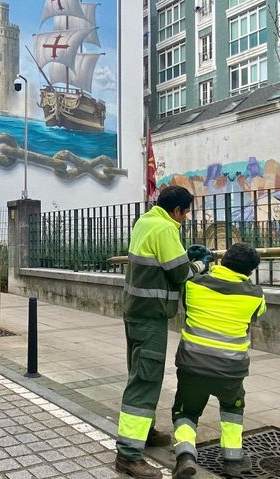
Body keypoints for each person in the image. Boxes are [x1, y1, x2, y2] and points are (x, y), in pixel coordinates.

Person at [114, 186, 208, 479]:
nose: (186, 218)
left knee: (139, 372)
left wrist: (182, 255)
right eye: (186, 213)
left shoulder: (145, 221)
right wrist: (200, 264)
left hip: (135, 312)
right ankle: (129, 455)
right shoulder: (166, 229)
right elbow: (180, 274)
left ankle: (146, 431)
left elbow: (161, 262)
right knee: (145, 380)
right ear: (178, 211)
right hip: (151, 317)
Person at [172, 242, 266, 478]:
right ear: (250, 272)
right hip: (231, 370)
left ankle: (185, 456)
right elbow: (257, 315)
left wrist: (201, 267)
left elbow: (186, 294)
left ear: (222, 261)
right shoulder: (256, 296)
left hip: (192, 365)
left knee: (186, 411)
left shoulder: (193, 286)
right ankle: (233, 460)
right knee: (233, 408)